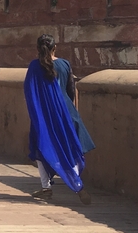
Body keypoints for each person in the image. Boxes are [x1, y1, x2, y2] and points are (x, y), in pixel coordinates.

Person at [24, 35, 95, 204]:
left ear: (37, 49)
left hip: (44, 115)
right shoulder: (64, 64)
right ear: (55, 48)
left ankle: (47, 187)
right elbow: (71, 90)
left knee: (42, 147)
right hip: (66, 112)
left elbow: (29, 91)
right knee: (69, 147)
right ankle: (77, 183)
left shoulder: (34, 66)